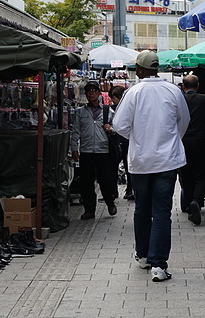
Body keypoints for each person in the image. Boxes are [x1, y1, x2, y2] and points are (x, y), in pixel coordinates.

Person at [112, 50, 190, 282]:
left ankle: (143, 254)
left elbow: (119, 125)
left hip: (141, 161)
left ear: (140, 69)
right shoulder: (173, 90)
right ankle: (159, 265)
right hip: (167, 161)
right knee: (162, 212)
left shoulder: (133, 92)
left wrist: (138, 137)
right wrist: (171, 139)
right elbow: (183, 122)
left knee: (142, 209)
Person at [70, 81, 118, 220]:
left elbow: (118, 128)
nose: (91, 93)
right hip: (86, 152)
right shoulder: (80, 112)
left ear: (98, 93)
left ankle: (110, 202)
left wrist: (111, 130)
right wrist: (74, 148)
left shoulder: (108, 111)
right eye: (88, 91)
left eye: (94, 90)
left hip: (103, 151)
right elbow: (75, 131)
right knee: (86, 182)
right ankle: (89, 210)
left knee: (106, 180)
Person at [180, 74, 205, 226]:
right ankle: (197, 201)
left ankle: (191, 205)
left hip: (183, 142)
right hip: (201, 141)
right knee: (202, 174)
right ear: (198, 86)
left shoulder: (179, 100)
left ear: (183, 87)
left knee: (186, 173)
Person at [109, 85, 133, 201]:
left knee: (128, 168)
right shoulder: (111, 108)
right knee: (114, 167)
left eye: (114, 98)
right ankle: (114, 191)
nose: (112, 101)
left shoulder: (125, 108)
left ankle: (129, 190)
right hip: (118, 142)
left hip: (125, 141)